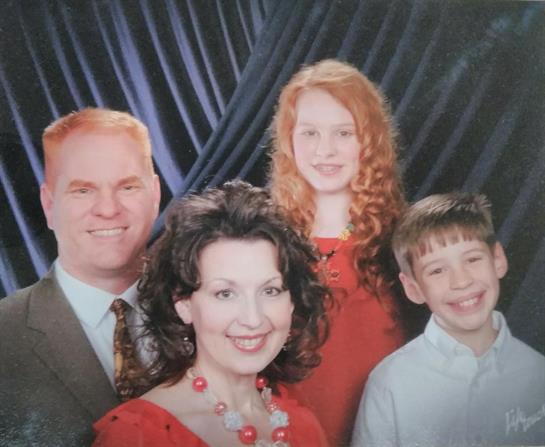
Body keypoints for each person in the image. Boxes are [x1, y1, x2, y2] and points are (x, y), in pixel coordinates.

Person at [93, 180, 331, 446]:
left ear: (292, 302)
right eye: (225, 293)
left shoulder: (303, 425)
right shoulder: (138, 434)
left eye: (270, 291)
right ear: (184, 304)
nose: (253, 319)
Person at [0, 108, 161, 446]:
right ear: (49, 205)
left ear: (155, 194)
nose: (108, 209)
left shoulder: (211, 313)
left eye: (128, 186)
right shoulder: (5, 335)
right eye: (83, 190)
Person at [268, 58, 408, 445]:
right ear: (289, 140)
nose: (324, 150)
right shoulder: (265, 239)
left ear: (369, 141)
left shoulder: (400, 237)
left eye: (343, 133)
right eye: (309, 133)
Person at [351, 192, 545, 447]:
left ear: (498, 260)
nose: (461, 281)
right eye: (437, 270)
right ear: (413, 288)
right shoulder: (389, 383)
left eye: (472, 259)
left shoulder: (537, 372)